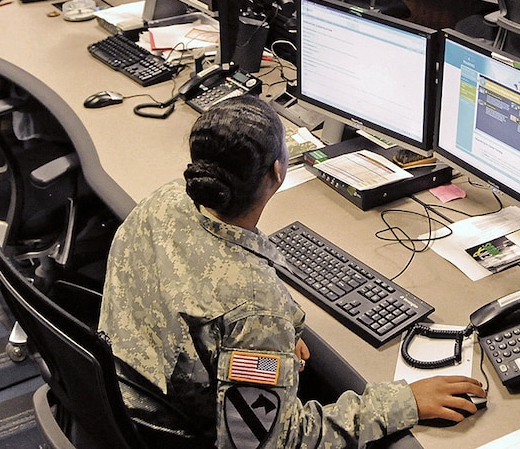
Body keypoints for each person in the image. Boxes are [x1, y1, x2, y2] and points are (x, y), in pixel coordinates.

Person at [100, 97, 484, 448]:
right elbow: (271, 441)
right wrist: (403, 403)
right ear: (278, 170)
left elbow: (205, 283)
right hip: (176, 436)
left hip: (121, 402)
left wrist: (280, 332)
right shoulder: (254, 309)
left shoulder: (167, 200)